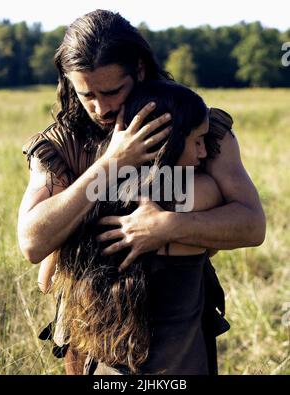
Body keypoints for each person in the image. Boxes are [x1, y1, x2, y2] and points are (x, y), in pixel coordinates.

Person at [17, 10, 266, 374]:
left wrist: (167, 227)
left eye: (112, 91)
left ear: (140, 70)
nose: (100, 108)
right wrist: (110, 164)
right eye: (86, 94)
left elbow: (252, 225)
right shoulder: (63, 143)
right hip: (93, 334)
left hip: (181, 330)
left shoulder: (199, 128)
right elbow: (32, 244)